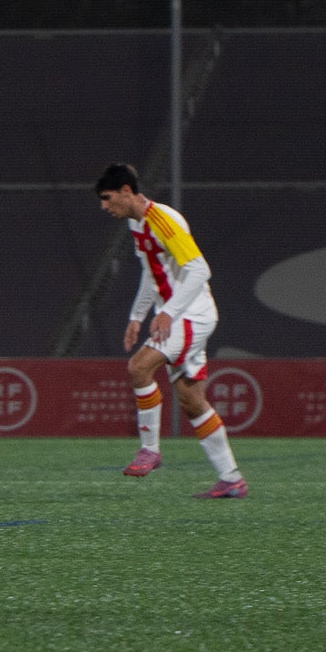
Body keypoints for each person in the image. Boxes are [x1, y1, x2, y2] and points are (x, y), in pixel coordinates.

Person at [94, 163, 247, 498]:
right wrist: (136, 316)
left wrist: (169, 313)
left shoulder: (163, 220)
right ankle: (231, 478)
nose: (104, 207)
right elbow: (152, 273)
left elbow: (199, 269)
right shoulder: (138, 224)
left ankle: (150, 449)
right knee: (192, 401)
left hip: (192, 315)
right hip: (183, 316)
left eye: (107, 198)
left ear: (125, 191)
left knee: (139, 367)